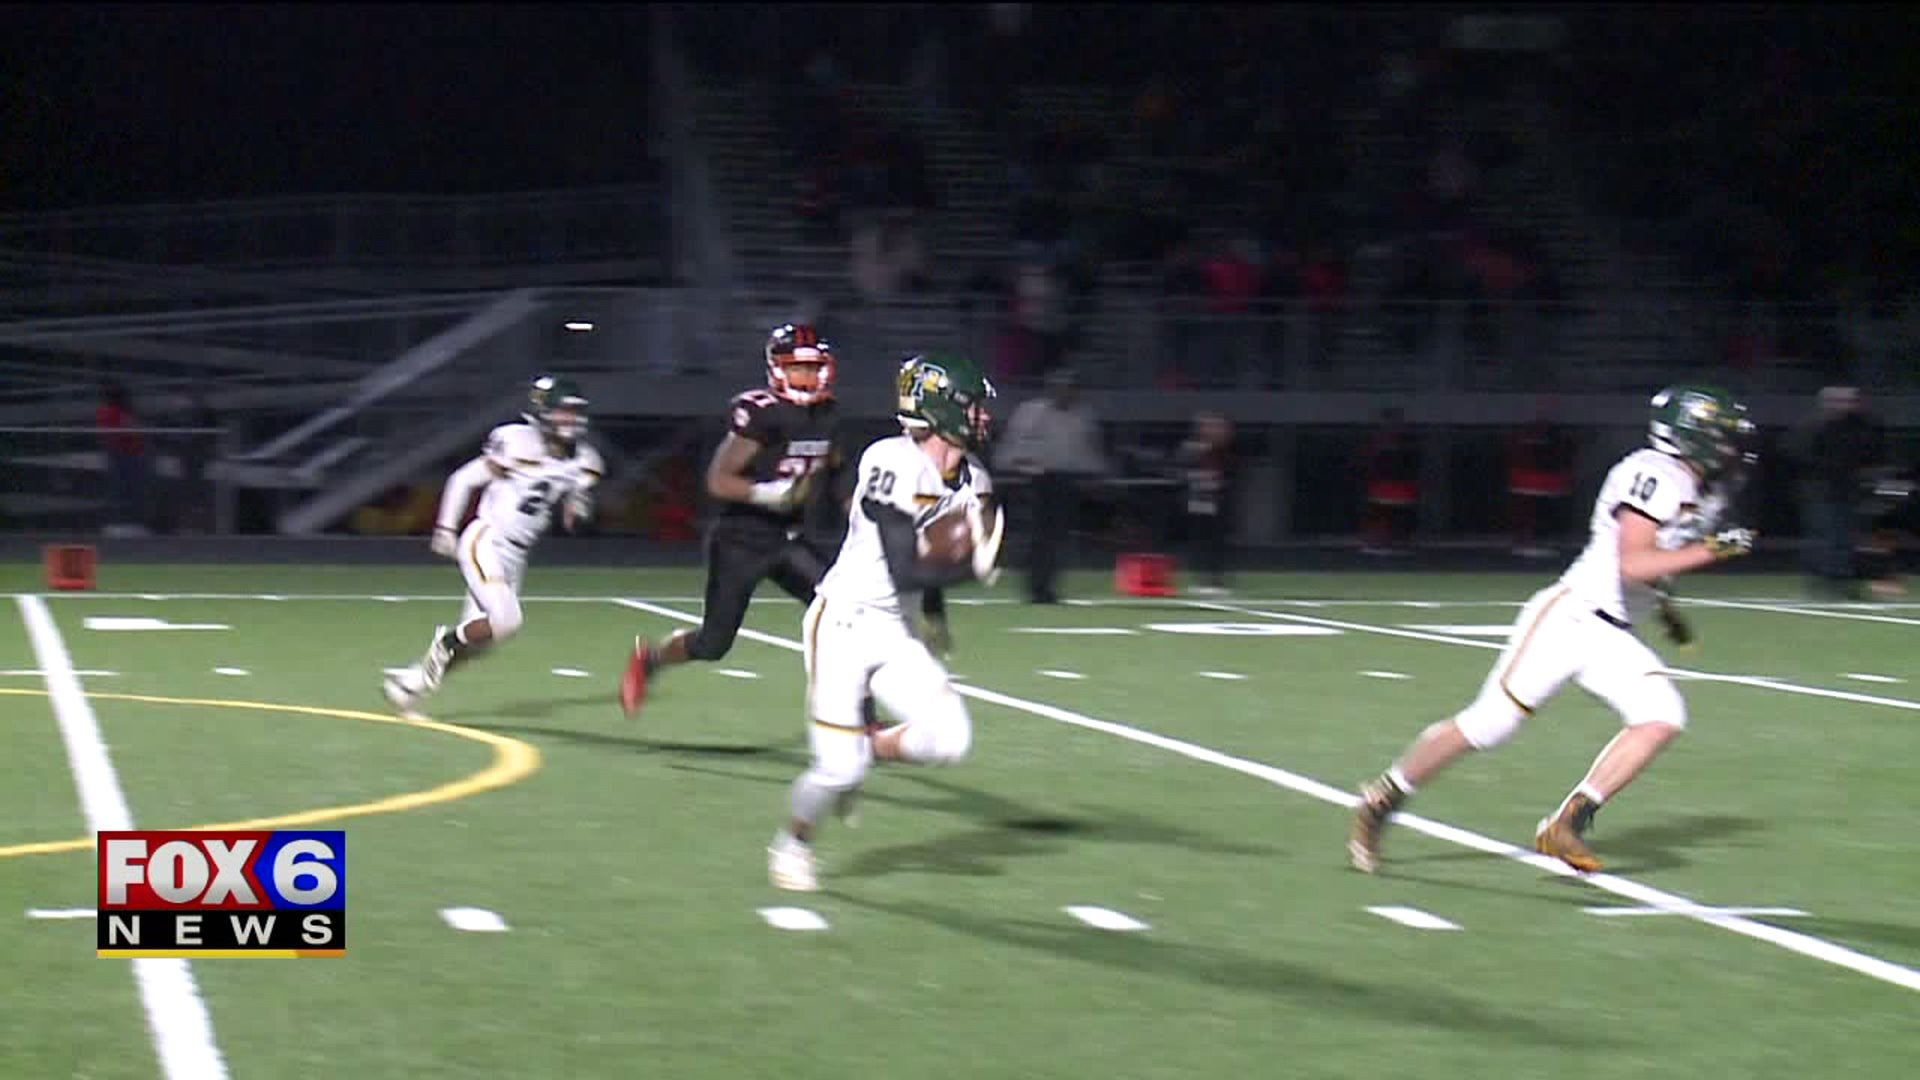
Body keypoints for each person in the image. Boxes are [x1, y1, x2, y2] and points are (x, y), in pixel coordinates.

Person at [1348, 385, 1758, 875]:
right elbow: (1632, 563)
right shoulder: (1656, 473)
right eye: (1723, 436)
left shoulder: (1687, 487)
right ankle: (1383, 796)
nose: (1730, 448)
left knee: (1662, 716)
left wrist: (1665, 607)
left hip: (1612, 632)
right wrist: (1712, 550)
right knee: (1489, 725)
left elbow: (1652, 564)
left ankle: (1568, 822)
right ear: (1696, 435)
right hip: (1571, 617)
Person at [768, 353, 1005, 892]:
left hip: (895, 630)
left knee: (951, 739)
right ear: (943, 409)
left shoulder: (976, 479)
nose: (984, 415)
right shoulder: (891, 460)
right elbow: (905, 564)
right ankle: (792, 843)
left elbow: (935, 554)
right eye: (973, 405)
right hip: (843, 625)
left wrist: (937, 607)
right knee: (840, 771)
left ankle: (870, 746)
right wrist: (972, 564)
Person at [620, 325, 847, 716]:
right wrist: (770, 493)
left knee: (842, 609)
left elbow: (838, 470)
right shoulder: (763, 413)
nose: (807, 377)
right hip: (741, 542)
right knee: (713, 643)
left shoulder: (828, 414)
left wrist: (858, 511)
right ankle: (651, 660)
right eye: (797, 368)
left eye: (813, 368)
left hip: (789, 540)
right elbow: (718, 480)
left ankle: (854, 712)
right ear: (777, 369)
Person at [383, 375, 603, 716]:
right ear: (542, 412)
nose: (570, 420)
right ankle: (445, 642)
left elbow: (574, 497)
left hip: (516, 554)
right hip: (486, 538)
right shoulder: (517, 442)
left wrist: (577, 504)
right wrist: (446, 528)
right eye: (563, 411)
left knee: (482, 642)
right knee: (506, 620)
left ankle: (409, 685)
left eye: (575, 412)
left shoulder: (585, 460)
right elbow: (463, 479)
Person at [995, 366, 1108, 603]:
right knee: (1037, 536)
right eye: (1062, 387)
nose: (1066, 392)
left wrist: (1096, 475)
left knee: (1058, 537)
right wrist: (1017, 466)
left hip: (1066, 482)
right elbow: (1014, 446)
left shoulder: (1082, 416)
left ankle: (1047, 587)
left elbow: (1088, 451)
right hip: (1035, 480)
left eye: (1071, 388)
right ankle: (1035, 586)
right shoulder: (1031, 413)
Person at [1799, 386, 1886, 598]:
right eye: (1838, 401)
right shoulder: (1816, 427)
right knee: (1828, 538)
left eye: (1848, 401)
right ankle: (1827, 579)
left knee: (1846, 539)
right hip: (1823, 492)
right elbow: (1802, 457)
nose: (1844, 405)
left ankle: (1842, 580)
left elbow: (1870, 455)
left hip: (1849, 492)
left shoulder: (1860, 427)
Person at [1176, 411, 1234, 593]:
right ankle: (1202, 580)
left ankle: (1215, 580)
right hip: (1198, 500)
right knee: (1200, 541)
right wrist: (1200, 479)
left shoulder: (1223, 452)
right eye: (1212, 427)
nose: (1218, 431)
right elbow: (1181, 471)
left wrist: (1219, 483)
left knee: (1216, 542)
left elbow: (1228, 475)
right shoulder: (1191, 449)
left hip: (1216, 500)